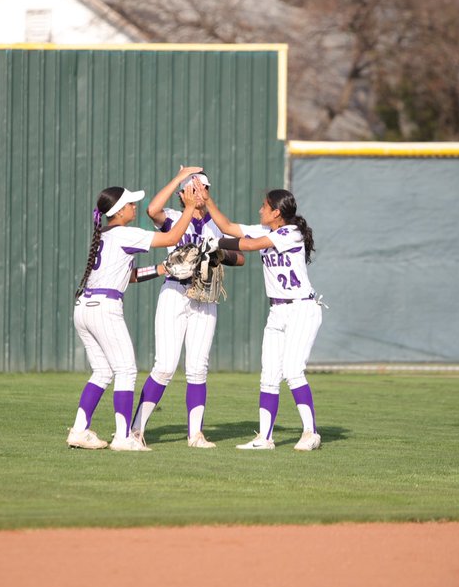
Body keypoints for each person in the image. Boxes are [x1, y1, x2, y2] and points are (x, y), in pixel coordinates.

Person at [67, 177, 206, 452]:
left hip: (84, 307)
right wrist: (189, 208)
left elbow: (127, 276)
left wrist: (160, 269)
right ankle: (123, 437)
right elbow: (171, 238)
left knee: (102, 372)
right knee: (126, 370)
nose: (134, 207)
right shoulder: (124, 233)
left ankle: (80, 430)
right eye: (130, 204)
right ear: (119, 211)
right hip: (104, 308)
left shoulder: (106, 235)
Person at [130, 166, 245, 450]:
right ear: (182, 194)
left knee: (197, 368)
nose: (198, 193)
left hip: (204, 297)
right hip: (175, 291)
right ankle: (136, 430)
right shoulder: (171, 217)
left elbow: (240, 257)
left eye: (202, 188)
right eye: (191, 188)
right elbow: (152, 210)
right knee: (165, 366)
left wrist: (218, 254)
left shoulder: (215, 224)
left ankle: (196, 435)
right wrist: (178, 179)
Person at [203, 188, 324, 451]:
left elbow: (249, 245)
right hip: (277, 311)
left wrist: (217, 243)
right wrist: (206, 198)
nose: (260, 210)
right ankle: (265, 438)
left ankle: (310, 432)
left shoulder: (291, 233)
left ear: (276, 212)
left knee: (292, 371)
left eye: (264, 206)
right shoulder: (267, 231)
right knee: (269, 375)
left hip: (301, 309)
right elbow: (227, 226)